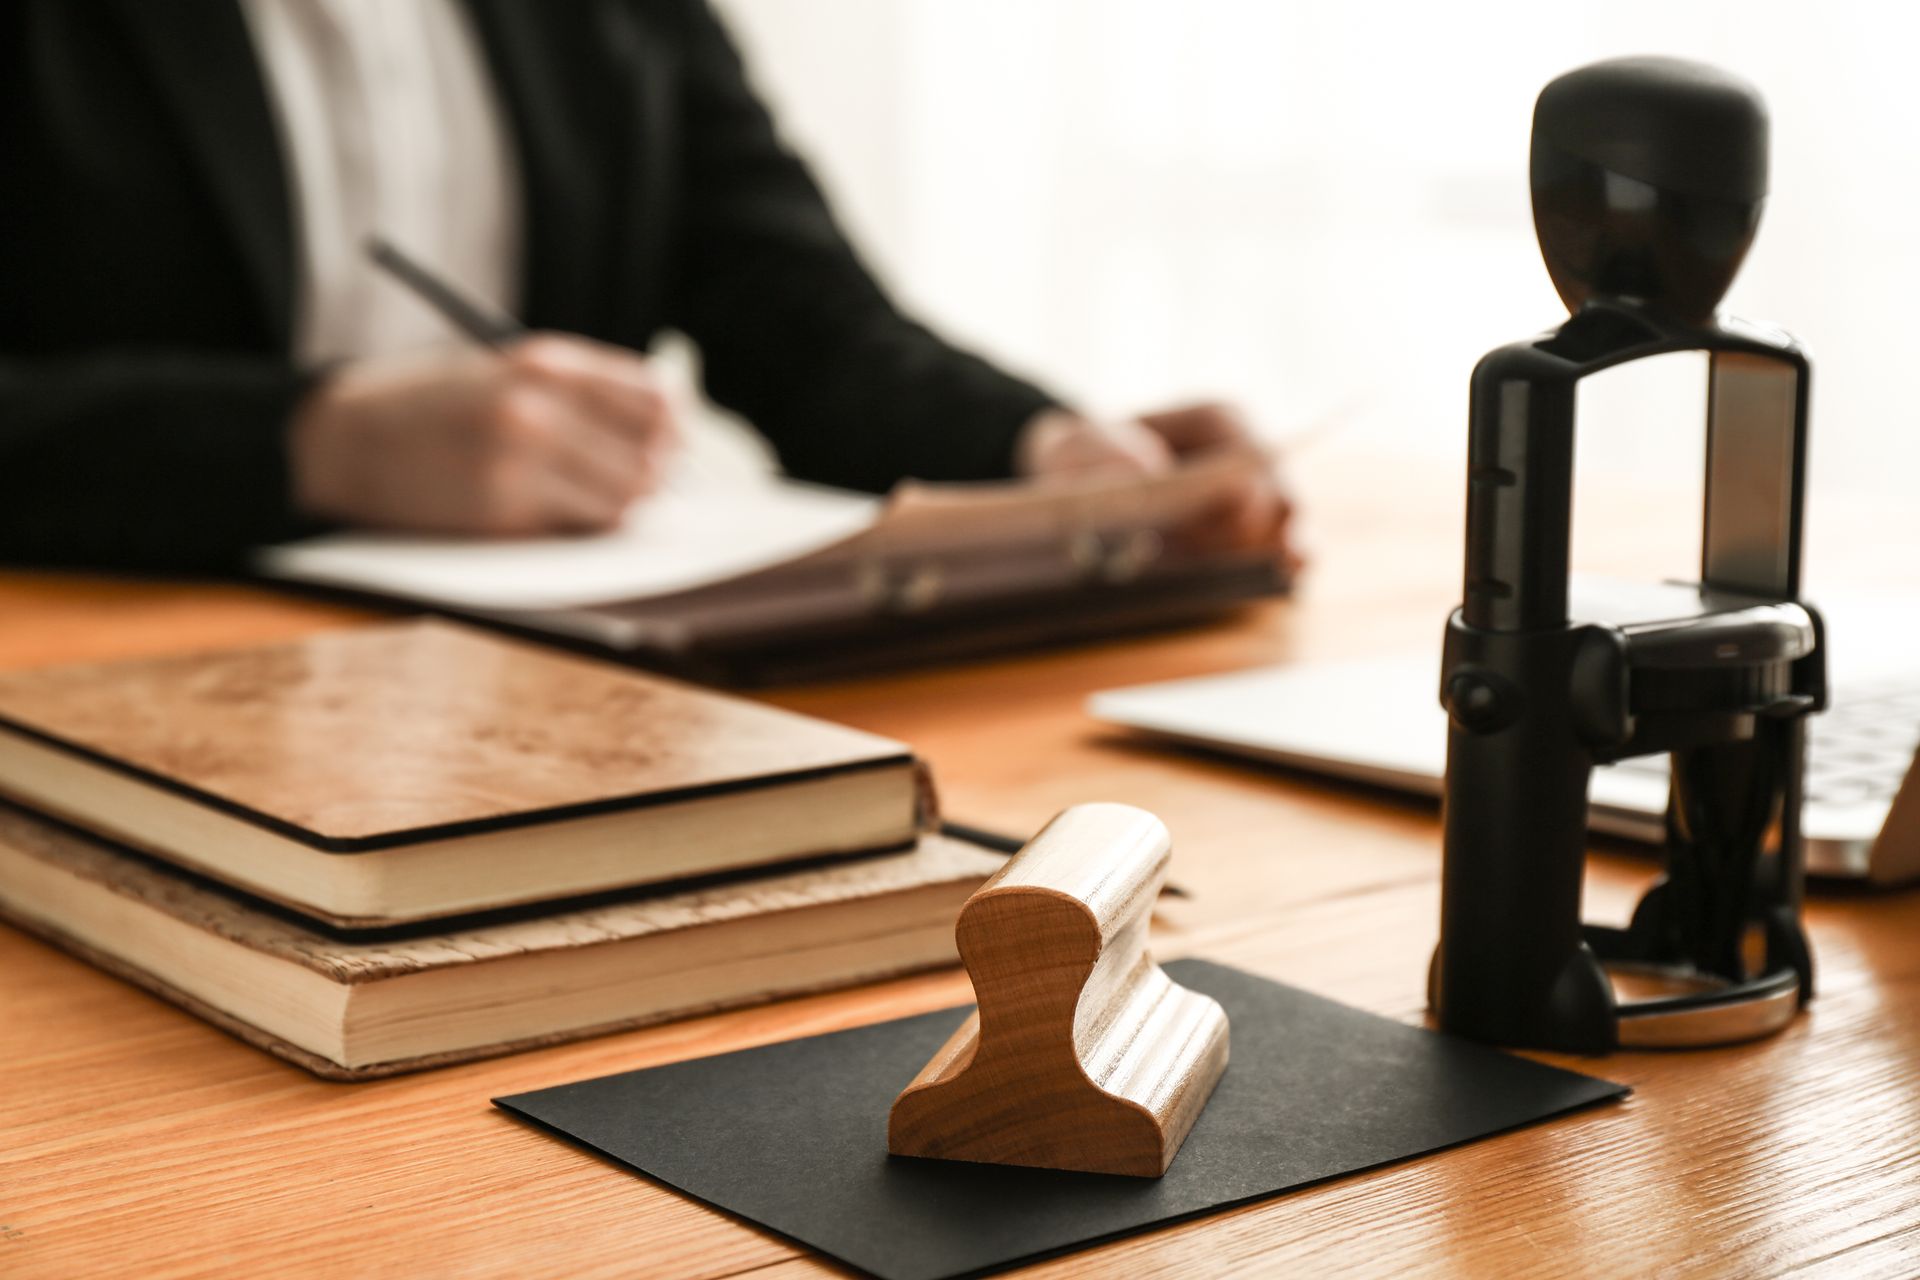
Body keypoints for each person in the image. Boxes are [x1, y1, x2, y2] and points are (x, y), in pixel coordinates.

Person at [0, 0, 1293, 570]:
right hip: (114, 693)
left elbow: (804, 323)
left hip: (561, 702)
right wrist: (309, 442)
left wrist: (1042, 448)